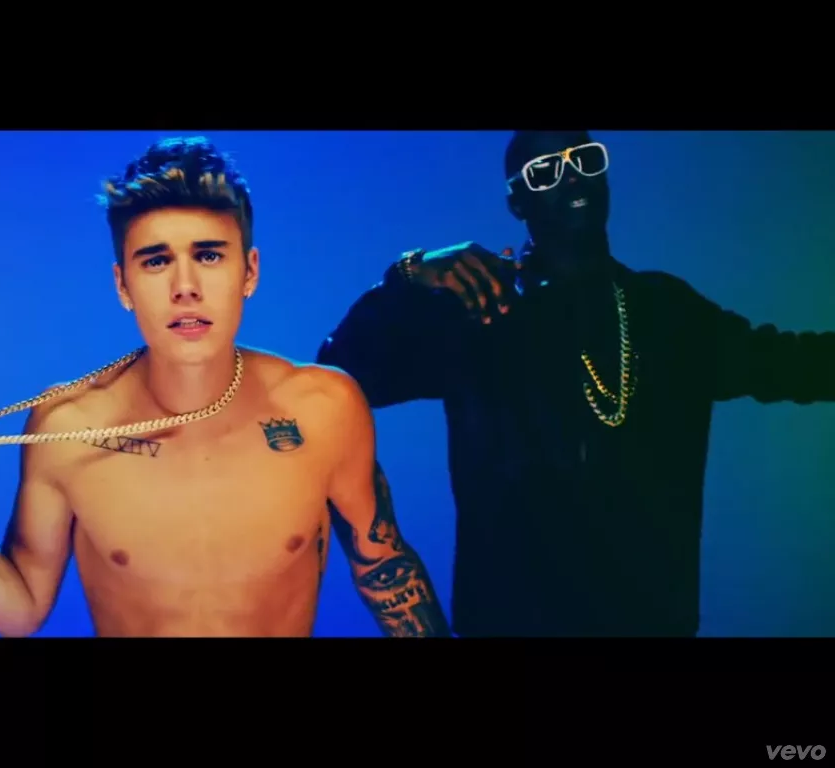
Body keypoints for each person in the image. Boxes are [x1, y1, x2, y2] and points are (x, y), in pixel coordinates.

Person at [0, 136, 447, 637]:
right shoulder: (68, 425)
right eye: (156, 261)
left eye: (209, 255)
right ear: (123, 284)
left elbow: (385, 565)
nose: (185, 287)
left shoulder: (323, 408)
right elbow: (21, 610)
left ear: (249, 271)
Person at [317, 129, 835, 637]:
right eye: (545, 171)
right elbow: (340, 373)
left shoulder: (669, 311)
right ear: (517, 201)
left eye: (585, 159)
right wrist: (407, 274)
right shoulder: (479, 311)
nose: (571, 177)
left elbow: (795, 364)